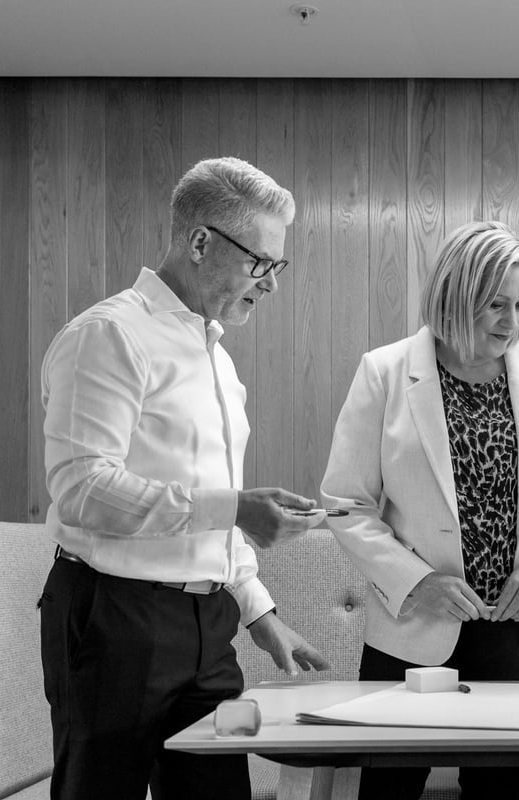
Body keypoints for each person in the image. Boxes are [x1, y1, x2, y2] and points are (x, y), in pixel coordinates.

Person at [39, 156, 332, 800]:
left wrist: (260, 614)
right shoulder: (108, 335)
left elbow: (215, 513)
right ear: (200, 241)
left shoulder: (220, 362)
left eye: (277, 267)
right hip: (114, 618)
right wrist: (231, 508)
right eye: (262, 263)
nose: (271, 284)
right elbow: (82, 488)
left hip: (208, 628)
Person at [321, 220, 519, 800]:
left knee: (501, 788)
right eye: (495, 305)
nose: (512, 322)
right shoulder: (383, 373)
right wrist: (417, 581)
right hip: (413, 628)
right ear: (455, 298)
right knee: (389, 788)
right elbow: (347, 505)